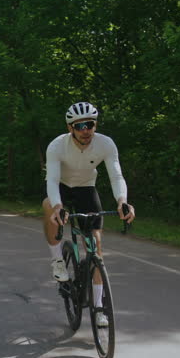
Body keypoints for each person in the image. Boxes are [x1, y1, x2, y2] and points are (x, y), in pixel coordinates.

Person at [42, 102, 136, 328]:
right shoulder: (57, 146)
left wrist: (122, 201)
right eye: (79, 125)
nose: (85, 130)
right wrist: (57, 207)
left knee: (96, 247)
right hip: (61, 187)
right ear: (70, 128)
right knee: (48, 206)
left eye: (90, 124)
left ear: (95, 125)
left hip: (86, 188)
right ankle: (57, 260)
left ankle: (99, 309)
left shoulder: (105, 144)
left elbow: (116, 176)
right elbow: (52, 180)